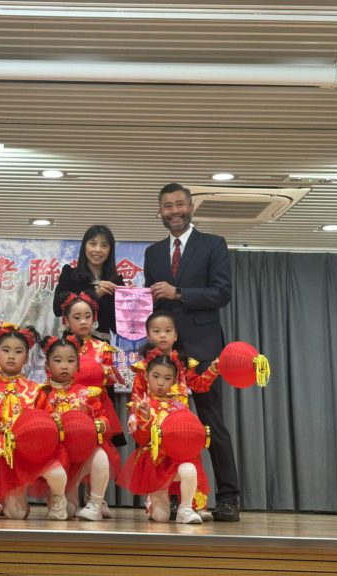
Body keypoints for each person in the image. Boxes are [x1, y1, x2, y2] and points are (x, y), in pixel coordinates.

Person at [143, 182, 239, 521]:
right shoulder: (153, 253)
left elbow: (222, 293)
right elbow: (152, 303)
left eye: (179, 204)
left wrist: (179, 292)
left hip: (204, 351)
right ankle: (171, 497)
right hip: (165, 355)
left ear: (191, 207)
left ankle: (228, 498)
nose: (174, 211)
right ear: (160, 211)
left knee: (213, 424)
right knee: (166, 426)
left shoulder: (213, 244)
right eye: (167, 206)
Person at [131, 310, 219, 520]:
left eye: (168, 331)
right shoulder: (143, 368)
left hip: (180, 430)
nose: (162, 335)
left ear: (176, 335)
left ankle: (192, 506)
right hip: (155, 431)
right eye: (156, 331)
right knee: (158, 467)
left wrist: (213, 370)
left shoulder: (184, 365)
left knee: (190, 464)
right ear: (148, 335)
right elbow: (136, 398)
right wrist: (140, 415)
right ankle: (156, 499)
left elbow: (199, 385)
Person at [0, 323, 69, 520]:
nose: (11, 356)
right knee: (16, 515)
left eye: (18, 351)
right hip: (6, 456)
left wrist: (53, 422)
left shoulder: (36, 391)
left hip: (35, 451)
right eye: (6, 350)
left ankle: (57, 498)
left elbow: (48, 423)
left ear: (26, 357)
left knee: (58, 474)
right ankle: (14, 501)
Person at [118, 355, 210, 524]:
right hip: (155, 463)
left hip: (176, 459)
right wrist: (145, 418)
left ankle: (185, 509)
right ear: (146, 376)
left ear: (174, 380)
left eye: (167, 378)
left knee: (190, 469)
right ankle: (153, 500)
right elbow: (141, 440)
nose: (161, 383)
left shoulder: (179, 406)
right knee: (161, 518)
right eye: (156, 376)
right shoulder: (141, 405)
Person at [40, 335, 119, 521]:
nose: (64, 366)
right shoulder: (40, 394)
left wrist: (89, 419)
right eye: (58, 360)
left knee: (100, 454)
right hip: (56, 457)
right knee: (68, 510)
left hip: (81, 454)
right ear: (47, 365)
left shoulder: (87, 393)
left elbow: (105, 424)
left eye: (70, 361)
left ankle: (95, 504)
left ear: (78, 366)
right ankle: (59, 497)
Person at [58, 291, 125, 449]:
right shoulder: (60, 347)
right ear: (66, 320)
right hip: (67, 403)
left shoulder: (102, 347)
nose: (83, 321)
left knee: (100, 448)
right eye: (77, 317)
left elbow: (110, 381)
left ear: (94, 318)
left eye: (87, 316)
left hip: (97, 407)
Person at [53, 225, 124, 341]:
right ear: (84, 247)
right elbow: (57, 309)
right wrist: (95, 295)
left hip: (101, 346)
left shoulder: (116, 282)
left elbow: (117, 326)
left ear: (110, 250)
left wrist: (131, 300)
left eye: (104, 245)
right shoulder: (70, 274)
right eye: (93, 244)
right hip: (73, 343)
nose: (98, 250)